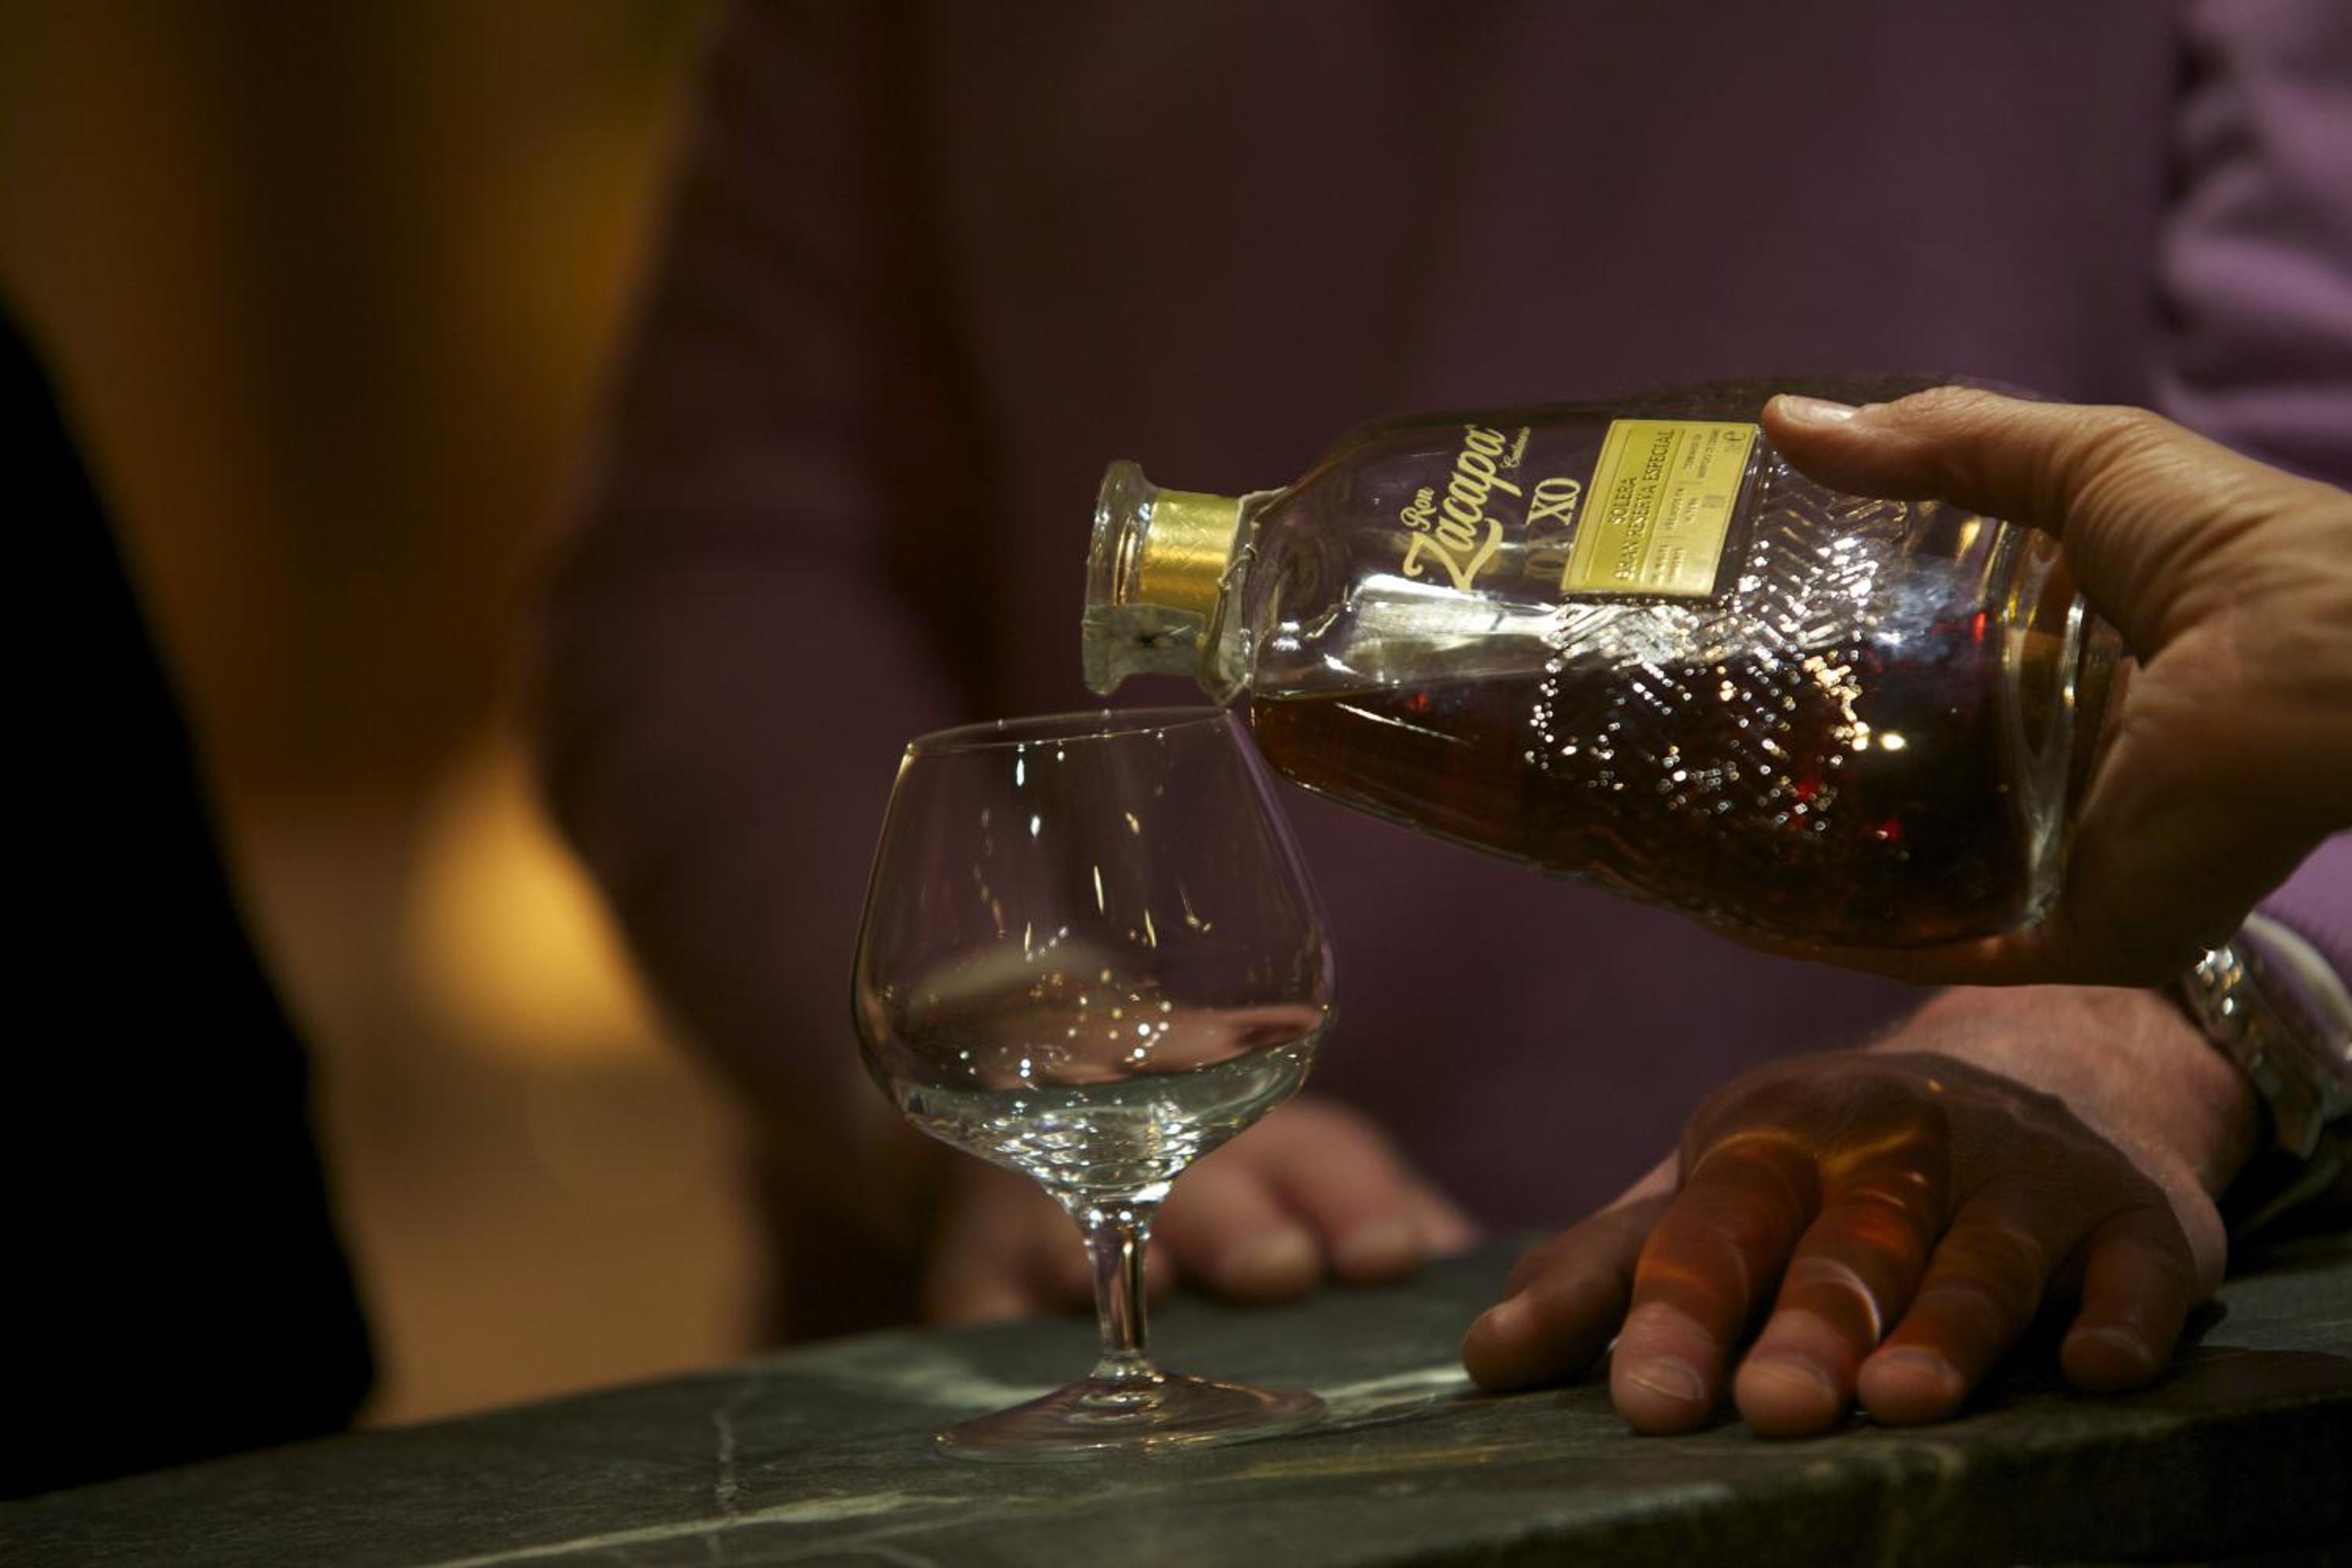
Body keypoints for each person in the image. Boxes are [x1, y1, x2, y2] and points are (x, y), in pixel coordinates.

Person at [534, 0, 2351, 1436]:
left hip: (2028, 1302)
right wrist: (997, 1017)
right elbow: (718, 557)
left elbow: (2296, 503)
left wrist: (2169, 1008)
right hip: (1193, 1329)